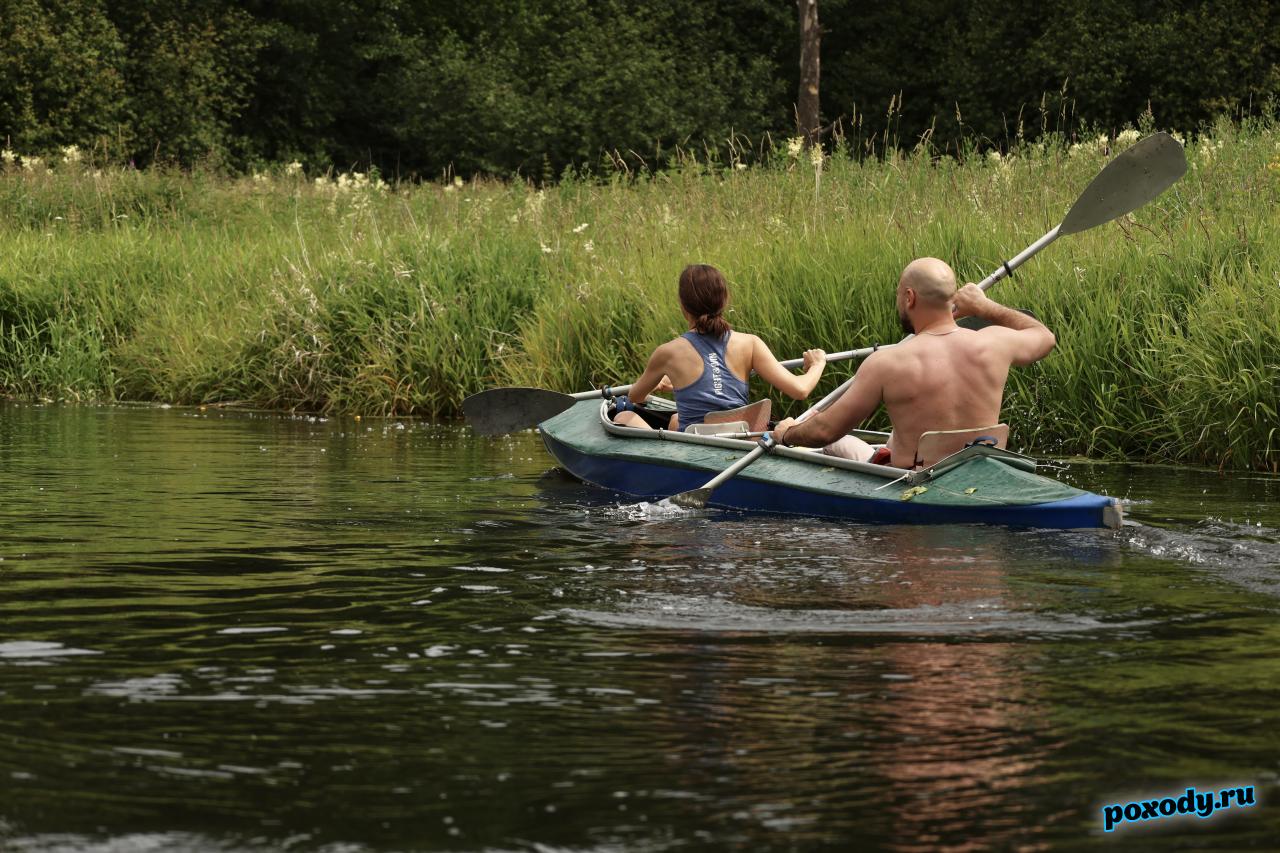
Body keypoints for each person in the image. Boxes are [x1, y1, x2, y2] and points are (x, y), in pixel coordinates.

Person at [772, 257, 1055, 467]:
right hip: (977, 471)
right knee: (862, 443)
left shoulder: (888, 362)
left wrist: (787, 434)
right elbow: (1044, 336)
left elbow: (825, 431)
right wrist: (985, 307)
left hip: (912, 480)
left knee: (833, 441)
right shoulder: (994, 343)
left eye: (898, 294)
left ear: (909, 298)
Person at [614, 264, 828, 431]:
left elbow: (635, 398)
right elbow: (800, 390)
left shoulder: (667, 353)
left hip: (694, 443)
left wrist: (659, 384)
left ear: (683, 306)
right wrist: (818, 364)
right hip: (741, 438)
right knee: (675, 419)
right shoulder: (750, 343)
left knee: (623, 416)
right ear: (725, 300)